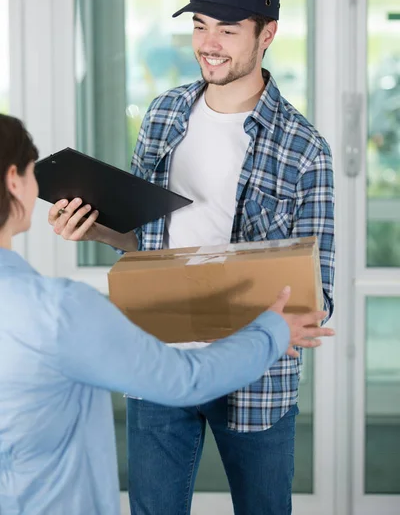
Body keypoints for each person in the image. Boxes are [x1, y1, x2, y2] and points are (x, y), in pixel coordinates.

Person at [48, 0, 335, 515]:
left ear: (266, 34)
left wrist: (269, 311)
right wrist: (98, 230)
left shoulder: (305, 150)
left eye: (227, 30)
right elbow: (146, 245)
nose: (209, 43)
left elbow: (318, 298)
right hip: (159, 358)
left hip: (254, 374)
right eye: (200, 25)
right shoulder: (162, 116)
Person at [0, 113, 334, 515]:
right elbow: (187, 379)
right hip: (170, 363)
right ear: (15, 181)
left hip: (253, 383)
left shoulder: (303, 145)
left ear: (264, 43)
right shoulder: (59, 310)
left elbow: (318, 287)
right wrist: (271, 331)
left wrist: (99, 230)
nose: (209, 45)